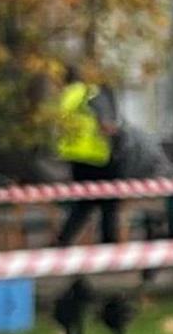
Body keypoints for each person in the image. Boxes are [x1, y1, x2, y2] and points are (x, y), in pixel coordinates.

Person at [52, 66, 123, 244]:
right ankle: (109, 244)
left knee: (84, 202)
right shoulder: (91, 92)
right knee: (109, 203)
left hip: (74, 156)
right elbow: (106, 125)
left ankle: (63, 241)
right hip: (96, 155)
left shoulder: (67, 95)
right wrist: (117, 135)